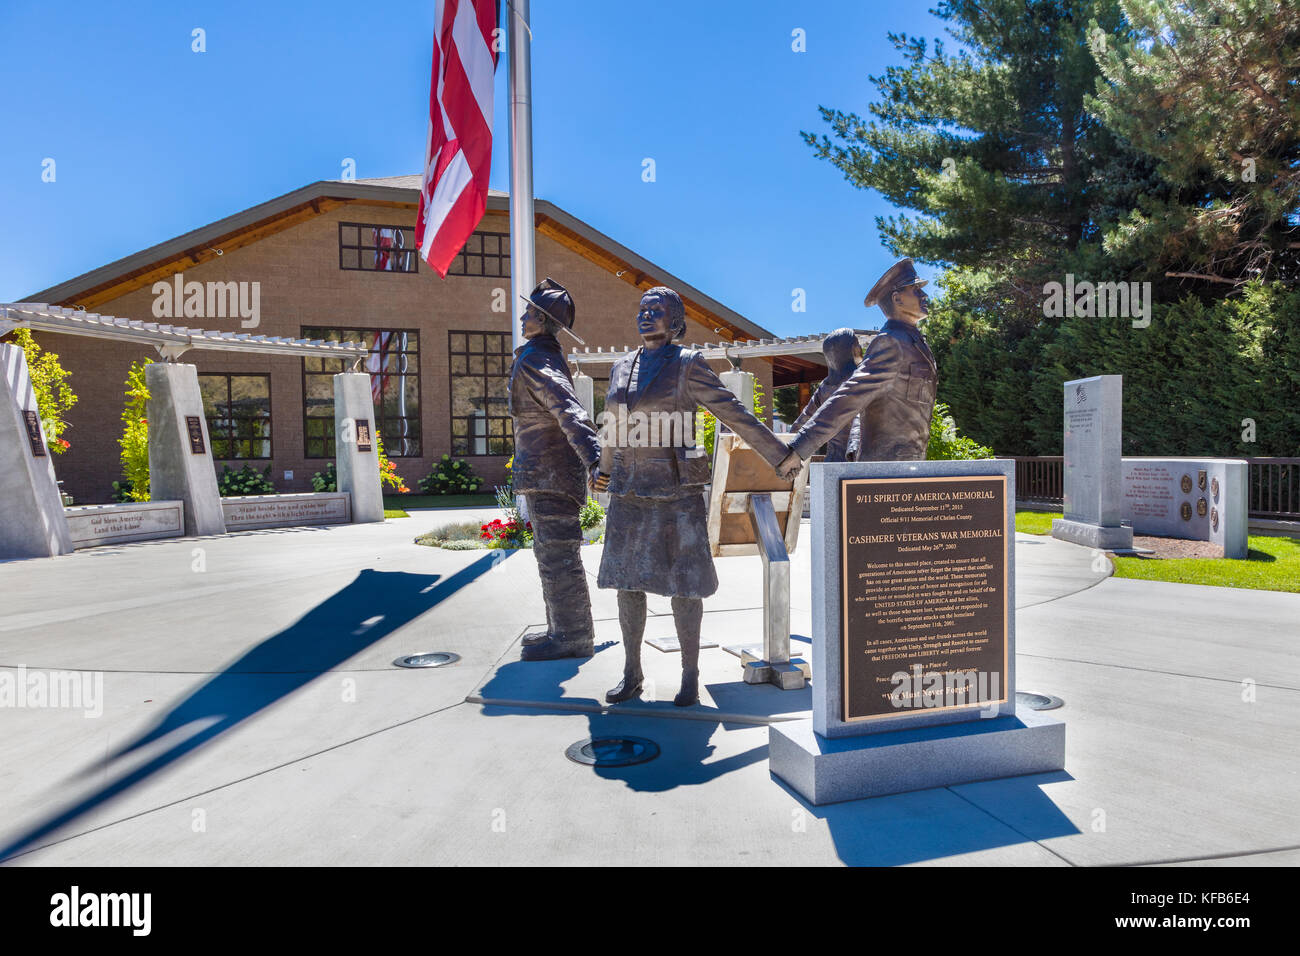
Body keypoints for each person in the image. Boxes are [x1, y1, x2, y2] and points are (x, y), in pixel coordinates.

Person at [592, 286, 788, 706]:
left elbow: (733, 412)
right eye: (642, 309)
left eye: (656, 311)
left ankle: (689, 673)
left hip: (674, 491)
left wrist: (779, 454)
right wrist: (603, 469)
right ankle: (631, 672)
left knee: (685, 585)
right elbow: (613, 423)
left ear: (675, 320)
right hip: (628, 488)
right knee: (627, 583)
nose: (646, 316)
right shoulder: (622, 365)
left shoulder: (688, 365)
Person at [508, 277, 603, 662]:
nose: (523, 316)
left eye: (530, 311)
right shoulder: (539, 356)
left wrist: (595, 458)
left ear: (544, 321)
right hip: (546, 473)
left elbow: (570, 411)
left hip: (550, 474)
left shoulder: (538, 360)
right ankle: (561, 629)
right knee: (551, 554)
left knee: (558, 555)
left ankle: (573, 636)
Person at [778, 258, 936, 478]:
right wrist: (799, 449)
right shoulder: (891, 343)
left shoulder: (915, 342)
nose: (925, 295)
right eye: (916, 289)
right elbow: (849, 398)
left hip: (910, 467)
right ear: (897, 298)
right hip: (884, 470)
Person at [789, 327, 864, 462]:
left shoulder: (825, 387)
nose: (860, 348)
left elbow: (804, 420)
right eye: (857, 344)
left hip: (832, 459)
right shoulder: (861, 381)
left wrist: (788, 446)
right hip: (856, 459)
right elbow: (860, 420)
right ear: (853, 349)